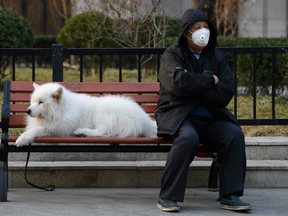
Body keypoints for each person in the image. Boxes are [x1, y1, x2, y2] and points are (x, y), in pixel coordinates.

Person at [155, 8, 251, 212]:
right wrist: (209, 80)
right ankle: (168, 197)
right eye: (197, 27)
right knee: (188, 138)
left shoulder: (217, 56)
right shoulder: (172, 55)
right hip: (179, 116)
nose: (203, 31)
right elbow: (177, 84)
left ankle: (230, 196)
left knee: (234, 134)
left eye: (206, 27)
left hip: (210, 117)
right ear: (186, 32)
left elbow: (226, 91)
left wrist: (194, 86)